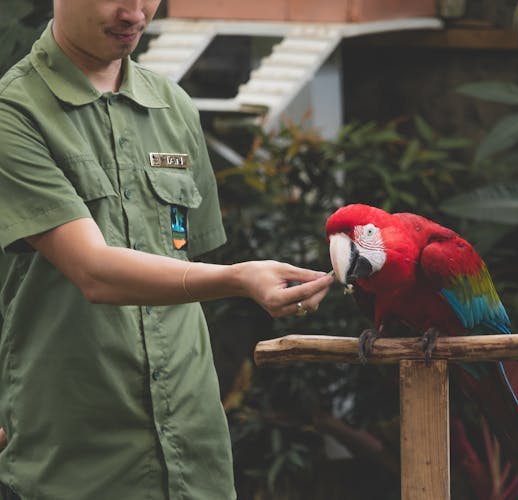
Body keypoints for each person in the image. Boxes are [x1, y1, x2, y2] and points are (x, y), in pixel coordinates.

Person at [0, 1, 334, 498]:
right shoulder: (16, 111)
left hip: (192, 447)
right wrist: (239, 279)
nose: (135, 12)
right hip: (77, 452)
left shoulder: (172, 107)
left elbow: (182, 262)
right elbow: (95, 272)